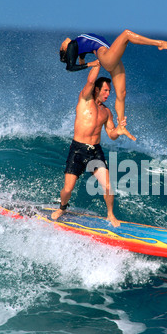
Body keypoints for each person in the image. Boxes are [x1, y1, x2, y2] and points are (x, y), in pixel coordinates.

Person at [60, 30, 167, 141]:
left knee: (122, 93)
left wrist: (82, 59)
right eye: (61, 47)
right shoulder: (72, 44)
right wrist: (90, 64)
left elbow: (82, 51)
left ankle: (121, 125)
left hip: (111, 58)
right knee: (126, 34)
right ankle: (159, 43)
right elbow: (70, 67)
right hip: (106, 57)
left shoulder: (78, 47)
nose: (62, 44)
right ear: (65, 49)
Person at [51, 64, 127, 226]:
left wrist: (119, 130)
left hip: (95, 152)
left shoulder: (107, 112)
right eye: (105, 90)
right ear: (97, 90)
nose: (108, 94)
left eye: (109, 91)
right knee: (68, 189)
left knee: (108, 186)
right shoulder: (85, 99)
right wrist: (98, 63)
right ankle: (62, 207)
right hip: (78, 150)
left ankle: (110, 215)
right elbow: (91, 80)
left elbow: (111, 135)